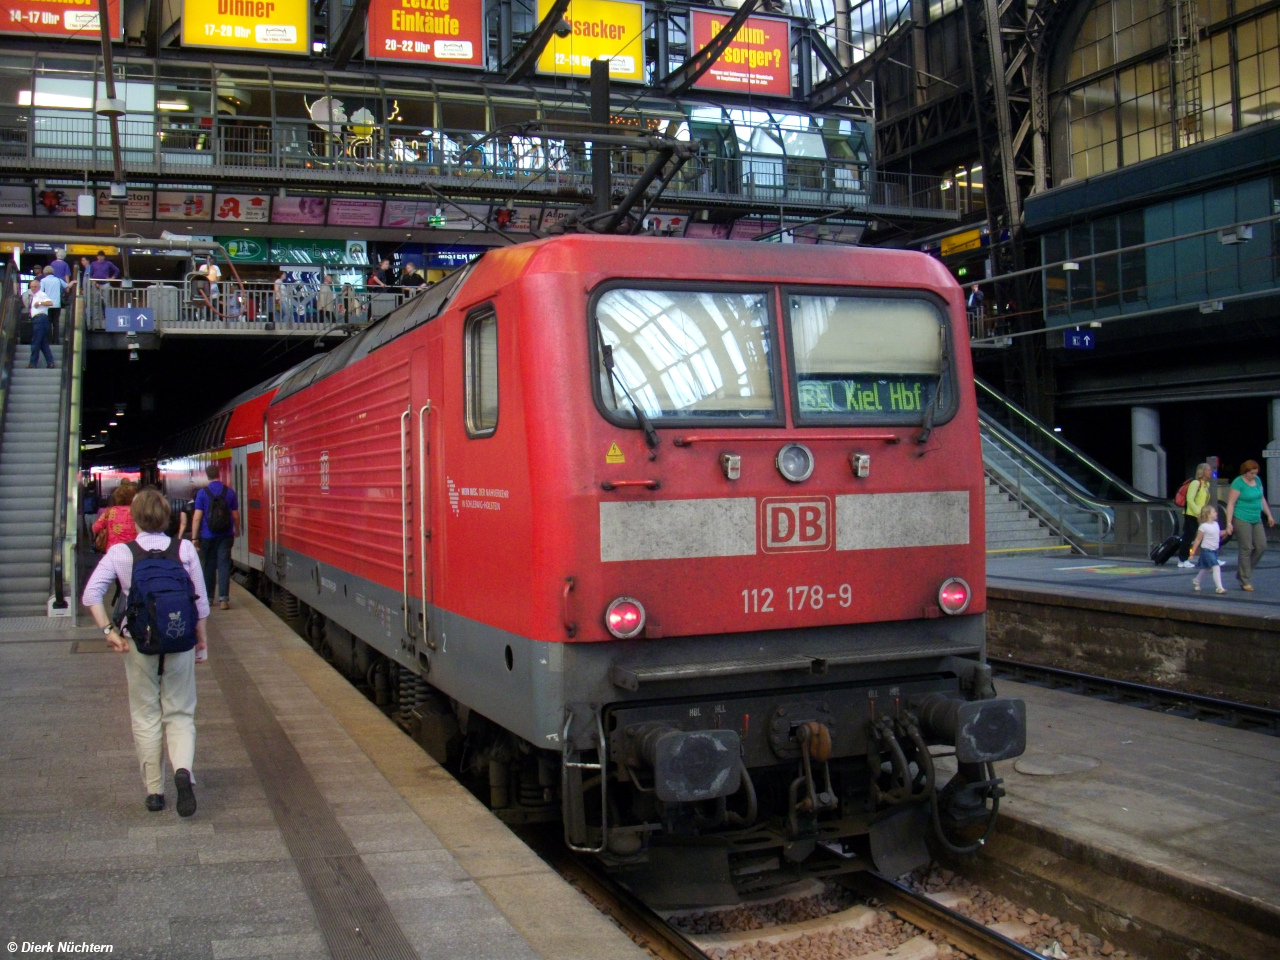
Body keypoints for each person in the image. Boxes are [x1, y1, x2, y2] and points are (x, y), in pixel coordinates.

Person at [83, 488, 208, 816]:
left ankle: (155, 791)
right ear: (167, 518)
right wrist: (200, 639)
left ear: (135, 519)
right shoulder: (184, 550)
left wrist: (109, 631)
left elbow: (91, 595)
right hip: (180, 639)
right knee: (180, 712)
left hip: (138, 643)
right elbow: (201, 602)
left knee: (146, 714)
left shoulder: (120, 553)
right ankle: (183, 771)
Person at [190, 464, 239, 610]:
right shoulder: (229, 492)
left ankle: (210, 599)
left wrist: (194, 538)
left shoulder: (202, 493)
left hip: (207, 535)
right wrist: (237, 529)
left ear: (207, 475)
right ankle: (224, 600)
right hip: (225, 535)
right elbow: (235, 515)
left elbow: (197, 517)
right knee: (224, 565)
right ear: (219, 474)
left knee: (209, 566)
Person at [1225, 459, 1275, 591]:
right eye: (1251, 473)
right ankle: (1245, 580)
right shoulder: (1238, 482)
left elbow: (1261, 498)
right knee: (1246, 548)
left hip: (1256, 517)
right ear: (1245, 471)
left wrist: (1269, 514)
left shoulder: (1257, 481)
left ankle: (1242, 572)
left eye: (1255, 473)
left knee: (1261, 546)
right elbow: (1231, 503)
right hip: (1241, 517)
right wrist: (1229, 523)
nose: (1254, 475)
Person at [1177, 463, 1212, 567]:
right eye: (1208, 470)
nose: (1210, 472)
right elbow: (1190, 499)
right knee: (1189, 536)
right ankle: (1183, 559)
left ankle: (1209, 558)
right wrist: (1198, 513)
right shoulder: (1196, 483)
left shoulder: (1206, 484)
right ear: (1202, 471)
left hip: (1201, 514)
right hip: (1192, 514)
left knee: (1205, 535)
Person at [1189, 504, 1226, 595]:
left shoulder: (1216, 524)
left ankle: (1196, 580)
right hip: (1206, 550)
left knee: (1207, 568)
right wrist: (1193, 551)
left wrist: (1226, 531)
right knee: (1216, 566)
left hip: (1214, 550)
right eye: (1214, 512)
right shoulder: (1203, 526)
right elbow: (1198, 539)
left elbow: (1217, 534)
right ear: (1209, 515)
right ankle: (1219, 587)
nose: (1216, 513)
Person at [93, 481, 139, 551]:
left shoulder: (109, 511)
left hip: (112, 550)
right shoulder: (136, 512)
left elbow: (95, 528)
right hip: (133, 550)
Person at [85, 250, 120, 325]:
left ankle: (109, 319)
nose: (100, 257)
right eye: (99, 256)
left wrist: (112, 278)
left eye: (102, 256)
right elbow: (91, 275)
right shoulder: (93, 264)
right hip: (95, 284)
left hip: (105, 284)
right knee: (95, 302)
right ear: (97, 256)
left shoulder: (108, 263)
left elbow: (117, 270)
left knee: (106, 302)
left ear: (104, 257)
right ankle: (96, 319)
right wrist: (94, 283)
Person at [26, 279, 55, 368]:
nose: (33, 288)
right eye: (31, 287)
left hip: (40, 319)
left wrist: (39, 303)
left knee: (36, 342)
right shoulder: (33, 296)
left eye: (35, 287)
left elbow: (50, 302)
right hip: (37, 319)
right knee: (43, 343)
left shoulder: (41, 294)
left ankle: (33, 363)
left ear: (39, 287)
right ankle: (50, 362)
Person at [39, 265, 69, 342]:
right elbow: (67, 286)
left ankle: (49, 340)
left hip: (47, 305)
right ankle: (56, 340)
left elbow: (41, 292)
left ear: (45, 272)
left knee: (48, 322)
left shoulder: (43, 281)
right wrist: (73, 282)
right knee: (56, 322)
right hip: (57, 304)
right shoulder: (58, 280)